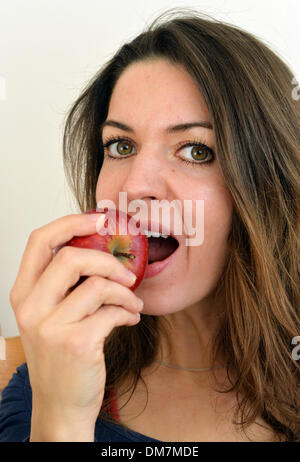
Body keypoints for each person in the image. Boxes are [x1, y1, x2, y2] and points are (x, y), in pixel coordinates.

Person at [0, 7, 299, 442]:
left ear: (268, 185)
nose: (136, 185)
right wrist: (60, 418)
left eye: (196, 151)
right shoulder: (36, 383)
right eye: (121, 145)